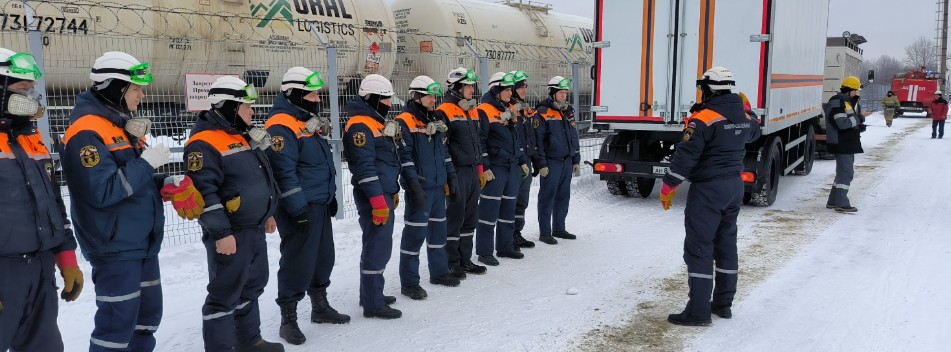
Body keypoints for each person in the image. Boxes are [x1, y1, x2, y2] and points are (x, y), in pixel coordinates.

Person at [61, 51, 172, 351]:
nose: (142, 94)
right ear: (114, 87)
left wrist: (165, 183)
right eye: (135, 88)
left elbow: (134, 181)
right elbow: (104, 191)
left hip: (141, 242)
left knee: (146, 319)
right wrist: (146, 164)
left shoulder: (119, 125)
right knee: (116, 326)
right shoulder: (86, 132)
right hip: (115, 246)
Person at [183, 76, 283, 351]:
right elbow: (204, 193)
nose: (252, 111)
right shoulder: (203, 144)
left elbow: (264, 177)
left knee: (252, 285)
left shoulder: (241, 136)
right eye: (246, 106)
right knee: (224, 293)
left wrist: (268, 212)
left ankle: (249, 341)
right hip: (231, 233)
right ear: (228, 106)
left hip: (253, 228)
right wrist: (220, 232)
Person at [660, 67, 761, 326]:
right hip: (734, 187)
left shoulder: (702, 119)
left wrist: (669, 184)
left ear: (707, 89)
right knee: (726, 244)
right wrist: (749, 111)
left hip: (708, 190)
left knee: (699, 247)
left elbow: (686, 155)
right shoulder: (742, 115)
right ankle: (723, 304)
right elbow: (755, 131)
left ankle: (698, 312)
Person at [0, 48, 83, 352]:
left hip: (40, 268)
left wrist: (66, 256)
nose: (30, 97)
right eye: (22, 90)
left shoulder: (31, 139)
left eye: (30, 90)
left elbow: (52, 204)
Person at [264, 67, 348, 345]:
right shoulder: (281, 125)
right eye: (311, 93)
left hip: (319, 202)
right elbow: (284, 172)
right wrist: (298, 209)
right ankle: (288, 319)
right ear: (295, 94)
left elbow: (320, 164)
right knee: (298, 261)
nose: (316, 98)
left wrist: (330, 195)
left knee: (323, 257)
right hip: (299, 207)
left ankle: (320, 306)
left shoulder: (305, 120)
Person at [396, 75, 462, 300]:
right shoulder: (405, 121)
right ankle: (409, 282)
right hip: (421, 188)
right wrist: (413, 187)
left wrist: (451, 177)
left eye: (435, 96)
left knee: (438, 234)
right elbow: (404, 159)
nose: (434, 100)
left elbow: (444, 153)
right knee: (414, 236)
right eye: (429, 96)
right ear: (417, 96)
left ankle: (439, 272)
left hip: (437, 187)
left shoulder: (434, 119)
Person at [344, 74, 402, 319]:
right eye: (386, 100)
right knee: (377, 246)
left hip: (383, 193)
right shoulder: (361, 126)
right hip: (374, 196)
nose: (389, 104)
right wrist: (379, 201)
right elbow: (364, 167)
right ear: (374, 99)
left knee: (378, 244)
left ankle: (369, 294)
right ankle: (373, 303)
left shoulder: (374, 121)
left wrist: (393, 190)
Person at [436, 68, 488, 278]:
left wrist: (480, 168)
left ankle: (465, 260)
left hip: (472, 171)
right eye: (468, 86)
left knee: (470, 217)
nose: (472, 89)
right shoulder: (444, 110)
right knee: (455, 218)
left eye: (472, 86)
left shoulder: (471, 110)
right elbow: (442, 146)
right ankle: (452, 262)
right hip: (457, 172)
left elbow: (477, 143)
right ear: (457, 88)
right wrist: (449, 176)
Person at [475, 72, 530, 266]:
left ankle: (505, 246)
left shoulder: (509, 109)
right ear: (495, 90)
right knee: (489, 210)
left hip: (512, 166)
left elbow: (516, 139)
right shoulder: (484, 110)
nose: (510, 92)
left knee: (508, 208)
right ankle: (484, 251)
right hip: (496, 169)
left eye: (510, 89)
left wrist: (522, 160)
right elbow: (480, 142)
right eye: (506, 89)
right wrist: (485, 167)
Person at [534, 76, 581, 245]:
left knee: (563, 196)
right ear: (553, 93)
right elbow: (538, 141)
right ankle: (545, 232)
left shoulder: (568, 111)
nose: (564, 96)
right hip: (552, 162)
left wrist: (576, 158)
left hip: (566, 161)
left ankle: (559, 228)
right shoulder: (542, 112)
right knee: (547, 196)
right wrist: (542, 163)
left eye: (565, 93)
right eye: (561, 93)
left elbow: (573, 136)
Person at [824, 76, 866, 213]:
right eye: (856, 91)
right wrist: (859, 118)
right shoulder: (838, 103)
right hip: (841, 142)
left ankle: (833, 201)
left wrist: (858, 126)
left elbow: (847, 121)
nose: (857, 94)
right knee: (846, 173)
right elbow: (842, 124)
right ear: (849, 90)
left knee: (842, 173)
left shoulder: (845, 102)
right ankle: (841, 203)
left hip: (845, 142)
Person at [509, 70, 538, 249]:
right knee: (511, 200)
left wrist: (536, 159)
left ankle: (516, 232)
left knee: (522, 200)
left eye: (525, 87)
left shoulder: (524, 108)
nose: (524, 90)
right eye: (521, 87)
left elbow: (531, 135)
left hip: (525, 159)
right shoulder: (508, 109)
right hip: (514, 162)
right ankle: (508, 234)